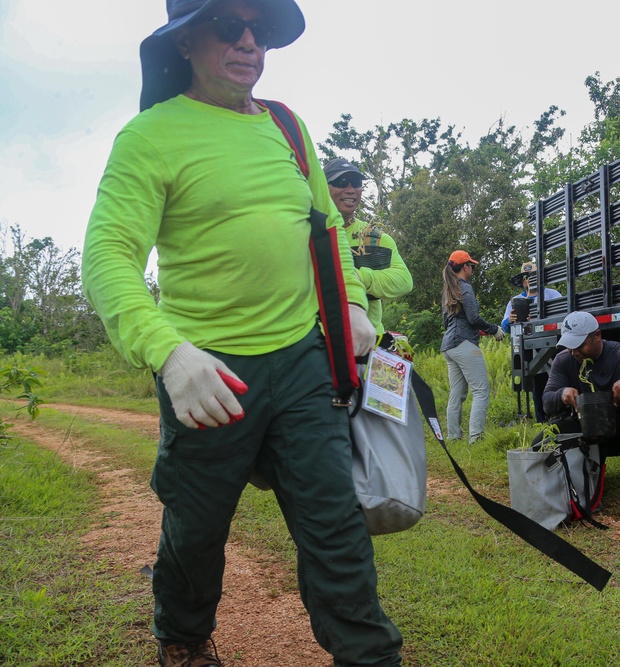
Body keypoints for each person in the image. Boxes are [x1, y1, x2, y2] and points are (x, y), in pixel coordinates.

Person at [80, 1, 402, 665]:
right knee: (196, 530)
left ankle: (369, 656)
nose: (249, 41)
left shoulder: (287, 126)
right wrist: (167, 350)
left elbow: (327, 226)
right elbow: (107, 255)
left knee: (335, 526)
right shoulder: (151, 135)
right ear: (187, 42)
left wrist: (352, 302)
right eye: (229, 26)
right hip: (208, 370)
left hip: (303, 359)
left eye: (257, 29)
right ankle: (185, 641)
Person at [538, 311, 620, 508]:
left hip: (619, 431)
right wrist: (562, 394)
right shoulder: (564, 360)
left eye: (580, 345)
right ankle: (573, 476)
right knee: (542, 438)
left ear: (597, 336)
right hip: (584, 430)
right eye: (569, 345)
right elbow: (546, 402)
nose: (574, 351)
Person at [323, 158, 413, 340]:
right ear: (322, 188)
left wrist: (358, 277)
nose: (350, 189)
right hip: (321, 342)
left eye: (356, 183)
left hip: (369, 342)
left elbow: (404, 280)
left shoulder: (374, 238)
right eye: (341, 182)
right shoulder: (308, 233)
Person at [441, 250, 504, 443]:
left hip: (449, 346)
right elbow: (473, 318)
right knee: (481, 390)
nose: (473, 269)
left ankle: (453, 437)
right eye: (472, 266)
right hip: (464, 344)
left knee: (457, 393)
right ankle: (476, 438)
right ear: (465, 267)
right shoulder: (465, 288)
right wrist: (494, 329)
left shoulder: (448, 290)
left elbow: (445, 322)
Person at [501, 261, 562, 422]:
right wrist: (511, 320)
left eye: (532, 277)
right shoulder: (516, 300)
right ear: (522, 281)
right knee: (538, 385)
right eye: (525, 278)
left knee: (558, 379)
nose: (529, 281)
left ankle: (562, 417)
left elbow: (564, 316)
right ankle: (542, 422)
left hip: (553, 344)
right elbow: (505, 326)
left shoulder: (552, 295)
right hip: (530, 348)